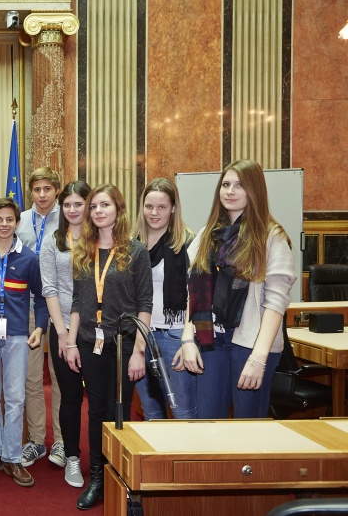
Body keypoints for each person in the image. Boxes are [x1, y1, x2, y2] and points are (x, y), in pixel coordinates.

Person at [174, 160, 296, 420]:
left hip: (251, 345)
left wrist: (259, 358)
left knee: (247, 429)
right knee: (209, 423)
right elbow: (193, 295)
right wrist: (187, 339)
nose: (230, 191)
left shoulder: (271, 237)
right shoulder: (208, 234)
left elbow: (276, 303)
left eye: (239, 185)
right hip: (211, 341)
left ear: (254, 191)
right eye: (226, 184)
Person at [66, 184, 151, 510]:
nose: (98, 211)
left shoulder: (136, 251)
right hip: (89, 342)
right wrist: (71, 343)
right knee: (96, 410)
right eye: (94, 207)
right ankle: (98, 479)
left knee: (121, 412)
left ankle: (124, 478)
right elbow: (76, 302)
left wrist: (139, 350)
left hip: (124, 342)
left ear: (118, 208)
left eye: (105, 205)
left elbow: (145, 303)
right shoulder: (83, 250)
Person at [0, 197, 46, 488]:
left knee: (15, 399)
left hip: (17, 337)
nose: (4, 225)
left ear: (17, 223)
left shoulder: (29, 259)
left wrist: (39, 327)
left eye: (9, 220)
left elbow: (40, 298)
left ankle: (13, 457)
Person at [39, 180, 90, 489]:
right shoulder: (51, 240)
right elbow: (49, 288)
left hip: (97, 328)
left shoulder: (101, 238)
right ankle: (72, 457)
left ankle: (102, 459)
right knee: (70, 397)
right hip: (61, 328)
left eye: (78, 204)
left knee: (99, 400)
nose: (72, 210)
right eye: (67, 205)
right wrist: (62, 334)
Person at [133, 178, 197, 421]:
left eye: (161, 207)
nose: (154, 213)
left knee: (183, 412)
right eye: (149, 206)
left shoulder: (188, 243)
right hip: (141, 336)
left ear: (173, 208)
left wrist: (187, 339)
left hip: (175, 335)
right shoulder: (132, 244)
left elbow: (196, 296)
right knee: (151, 412)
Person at [15, 167, 65, 468]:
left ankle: (60, 440)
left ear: (56, 190)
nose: (42, 195)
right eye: (37, 189)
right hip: (30, 306)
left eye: (48, 188)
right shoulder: (19, 221)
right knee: (31, 377)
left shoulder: (71, 217)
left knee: (60, 377)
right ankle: (36, 440)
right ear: (30, 192)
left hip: (60, 303)